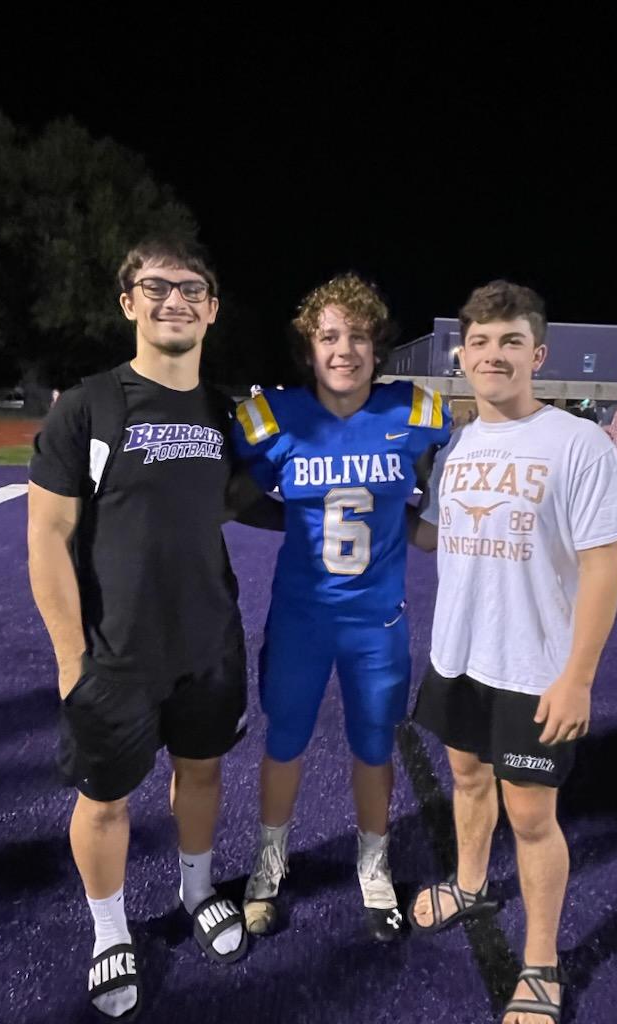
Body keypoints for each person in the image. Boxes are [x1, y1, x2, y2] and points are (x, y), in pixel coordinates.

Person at [28, 238, 274, 1019]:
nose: (175, 300)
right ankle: (110, 930)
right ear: (128, 302)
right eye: (156, 286)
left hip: (209, 643)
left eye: (192, 288)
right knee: (104, 800)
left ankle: (196, 889)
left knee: (202, 774)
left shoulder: (231, 411)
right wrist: (72, 661)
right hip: (115, 653)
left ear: (213, 308)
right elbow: (47, 536)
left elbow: (244, 500)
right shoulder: (88, 405)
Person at [407, 281, 617, 1023]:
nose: (493, 354)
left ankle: (540, 961)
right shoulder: (457, 444)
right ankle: (471, 884)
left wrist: (578, 679)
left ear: (537, 354)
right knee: (466, 779)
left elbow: (604, 567)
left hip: (535, 670)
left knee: (533, 818)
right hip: (458, 657)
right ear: (462, 356)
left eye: (510, 341)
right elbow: (437, 536)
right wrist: (369, 506)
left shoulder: (578, 443)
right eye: (479, 342)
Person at [233, 273, 451, 942]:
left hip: (376, 622)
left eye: (358, 336)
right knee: (285, 743)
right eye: (329, 336)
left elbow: (434, 503)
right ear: (309, 347)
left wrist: (414, 528)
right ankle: (269, 864)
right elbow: (239, 499)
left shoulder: (413, 413)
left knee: (374, 747)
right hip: (301, 618)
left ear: (377, 347)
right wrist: (302, 522)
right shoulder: (274, 418)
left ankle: (373, 865)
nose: (344, 349)